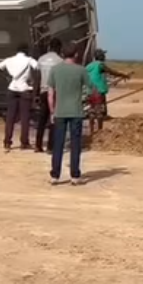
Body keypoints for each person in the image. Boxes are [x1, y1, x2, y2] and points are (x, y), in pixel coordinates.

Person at [47, 42, 93, 185]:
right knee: (75, 144)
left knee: (58, 144)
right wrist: (84, 99)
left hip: (60, 111)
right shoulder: (81, 70)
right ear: (76, 54)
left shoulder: (55, 70)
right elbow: (90, 89)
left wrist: (52, 111)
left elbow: (50, 94)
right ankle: (75, 175)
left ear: (62, 54)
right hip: (76, 111)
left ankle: (55, 175)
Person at [0, 44, 38, 152]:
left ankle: (7, 142)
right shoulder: (29, 60)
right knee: (25, 117)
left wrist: (7, 77)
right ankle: (24, 142)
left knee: (10, 117)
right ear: (26, 51)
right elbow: (38, 67)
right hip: (24, 89)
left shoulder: (9, 60)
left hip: (12, 88)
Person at [85, 49, 131, 135]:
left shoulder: (89, 66)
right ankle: (100, 132)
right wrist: (123, 75)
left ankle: (92, 131)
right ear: (101, 56)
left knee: (91, 111)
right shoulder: (100, 65)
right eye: (103, 55)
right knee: (99, 112)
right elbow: (111, 72)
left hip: (90, 91)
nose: (105, 56)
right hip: (98, 92)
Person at [34, 38, 63, 153]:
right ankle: (50, 147)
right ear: (59, 48)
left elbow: (37, 78)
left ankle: (38, 145)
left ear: (49, 47)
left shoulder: (41, 59)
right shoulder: (60, 61)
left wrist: (35, 94)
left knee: (41, 119)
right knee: (53, 119)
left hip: (43, 91)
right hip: (54, 92)